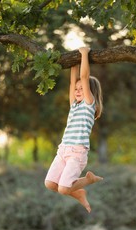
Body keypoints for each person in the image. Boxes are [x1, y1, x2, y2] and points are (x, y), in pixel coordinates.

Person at [44, 47, 103, 213]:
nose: (77, 91)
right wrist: (72, 61)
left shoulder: (89, 105)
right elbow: (73, 81)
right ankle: (78, 193)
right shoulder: (74, 106)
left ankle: (88, 180)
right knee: (50, 184)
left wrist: (84, 54)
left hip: (77, 153)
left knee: (63, 189)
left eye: (81, 89)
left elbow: (84, 77)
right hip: (63, 151)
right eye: (76, 89)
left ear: (90, 92)